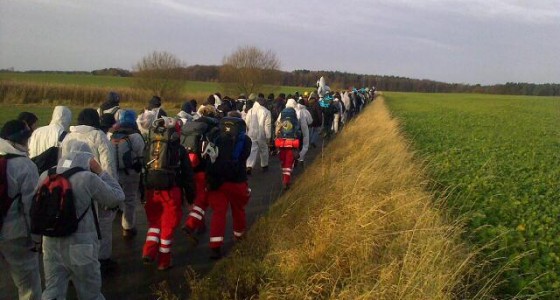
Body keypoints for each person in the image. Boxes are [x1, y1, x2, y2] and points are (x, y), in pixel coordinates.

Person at [40, 140, 124, 300]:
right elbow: (117, 197)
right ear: (88, 157)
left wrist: (37, 241)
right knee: (90, 293)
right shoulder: (87, 178)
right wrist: (101, 172)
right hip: (81, 243)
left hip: (50, 242)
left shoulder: (46, 175)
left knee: (52, 291)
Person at [61, 108, 118, 272]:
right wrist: (111, 191)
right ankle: (102, 259)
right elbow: (108, 165)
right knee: (104, 223)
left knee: (77, 225)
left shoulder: (68, 137)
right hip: (96, 184)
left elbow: (63, 162)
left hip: (72, 186)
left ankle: (77, 263)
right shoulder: (99, 136)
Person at [142, 117, 196, 270]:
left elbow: (143, 168)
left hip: (151, 190)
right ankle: (164, 260)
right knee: (168, 225)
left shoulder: (149, 146)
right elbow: (187, 175)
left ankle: (149, 251)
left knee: (154, 223)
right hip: (172, 191)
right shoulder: (179, 149)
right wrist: (191, 196)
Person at [0, 120, 42, 300]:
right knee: (28, 284)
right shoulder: (25, 166)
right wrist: (36, 239)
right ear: (20, 140)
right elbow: (31, 206)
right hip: (15, 233)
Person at [204, 113, 252, 259]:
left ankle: (215, 246)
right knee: (238, 210)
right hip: (237, 181)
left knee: (218, 213)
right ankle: (239, 237)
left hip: (217, 181)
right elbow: (245, 156)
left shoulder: (215, 136)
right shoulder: (245, 140)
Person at [109, 110, 144, 238]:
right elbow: (141, 155)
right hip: (131, 173)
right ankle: (128, 227)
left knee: (114, 199)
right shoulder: (135, 136)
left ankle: (108, 226)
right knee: (130, 199)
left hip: (114, 172)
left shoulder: (111, 134)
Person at [275, 98, 306, 190]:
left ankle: (285, 176)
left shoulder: (282, 113)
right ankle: (286, 180)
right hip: (292, 141)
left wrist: (277, 136)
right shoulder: (295, 114)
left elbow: (277, 125)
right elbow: (298, 128)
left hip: (282, 141)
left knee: (283, 159)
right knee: (289, 160)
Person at [244, 93, 271, 175]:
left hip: (251, 133)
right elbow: (267, 125)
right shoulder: (266, 111)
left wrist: (248, 132)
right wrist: (268, 136)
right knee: (264, 149)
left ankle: (249, 165)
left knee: (252, 149)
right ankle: (264, 165)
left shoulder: (250, 111)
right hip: (261, 133)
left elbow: (247, 123)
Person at [295, 98, 312, 165]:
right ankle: (301, 158)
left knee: (296, 144)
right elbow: (310, 121)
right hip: (304, 130)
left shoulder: (294, 110)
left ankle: (294, 158)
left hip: (296, 130)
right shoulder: (306, 111)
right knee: (304, 145)